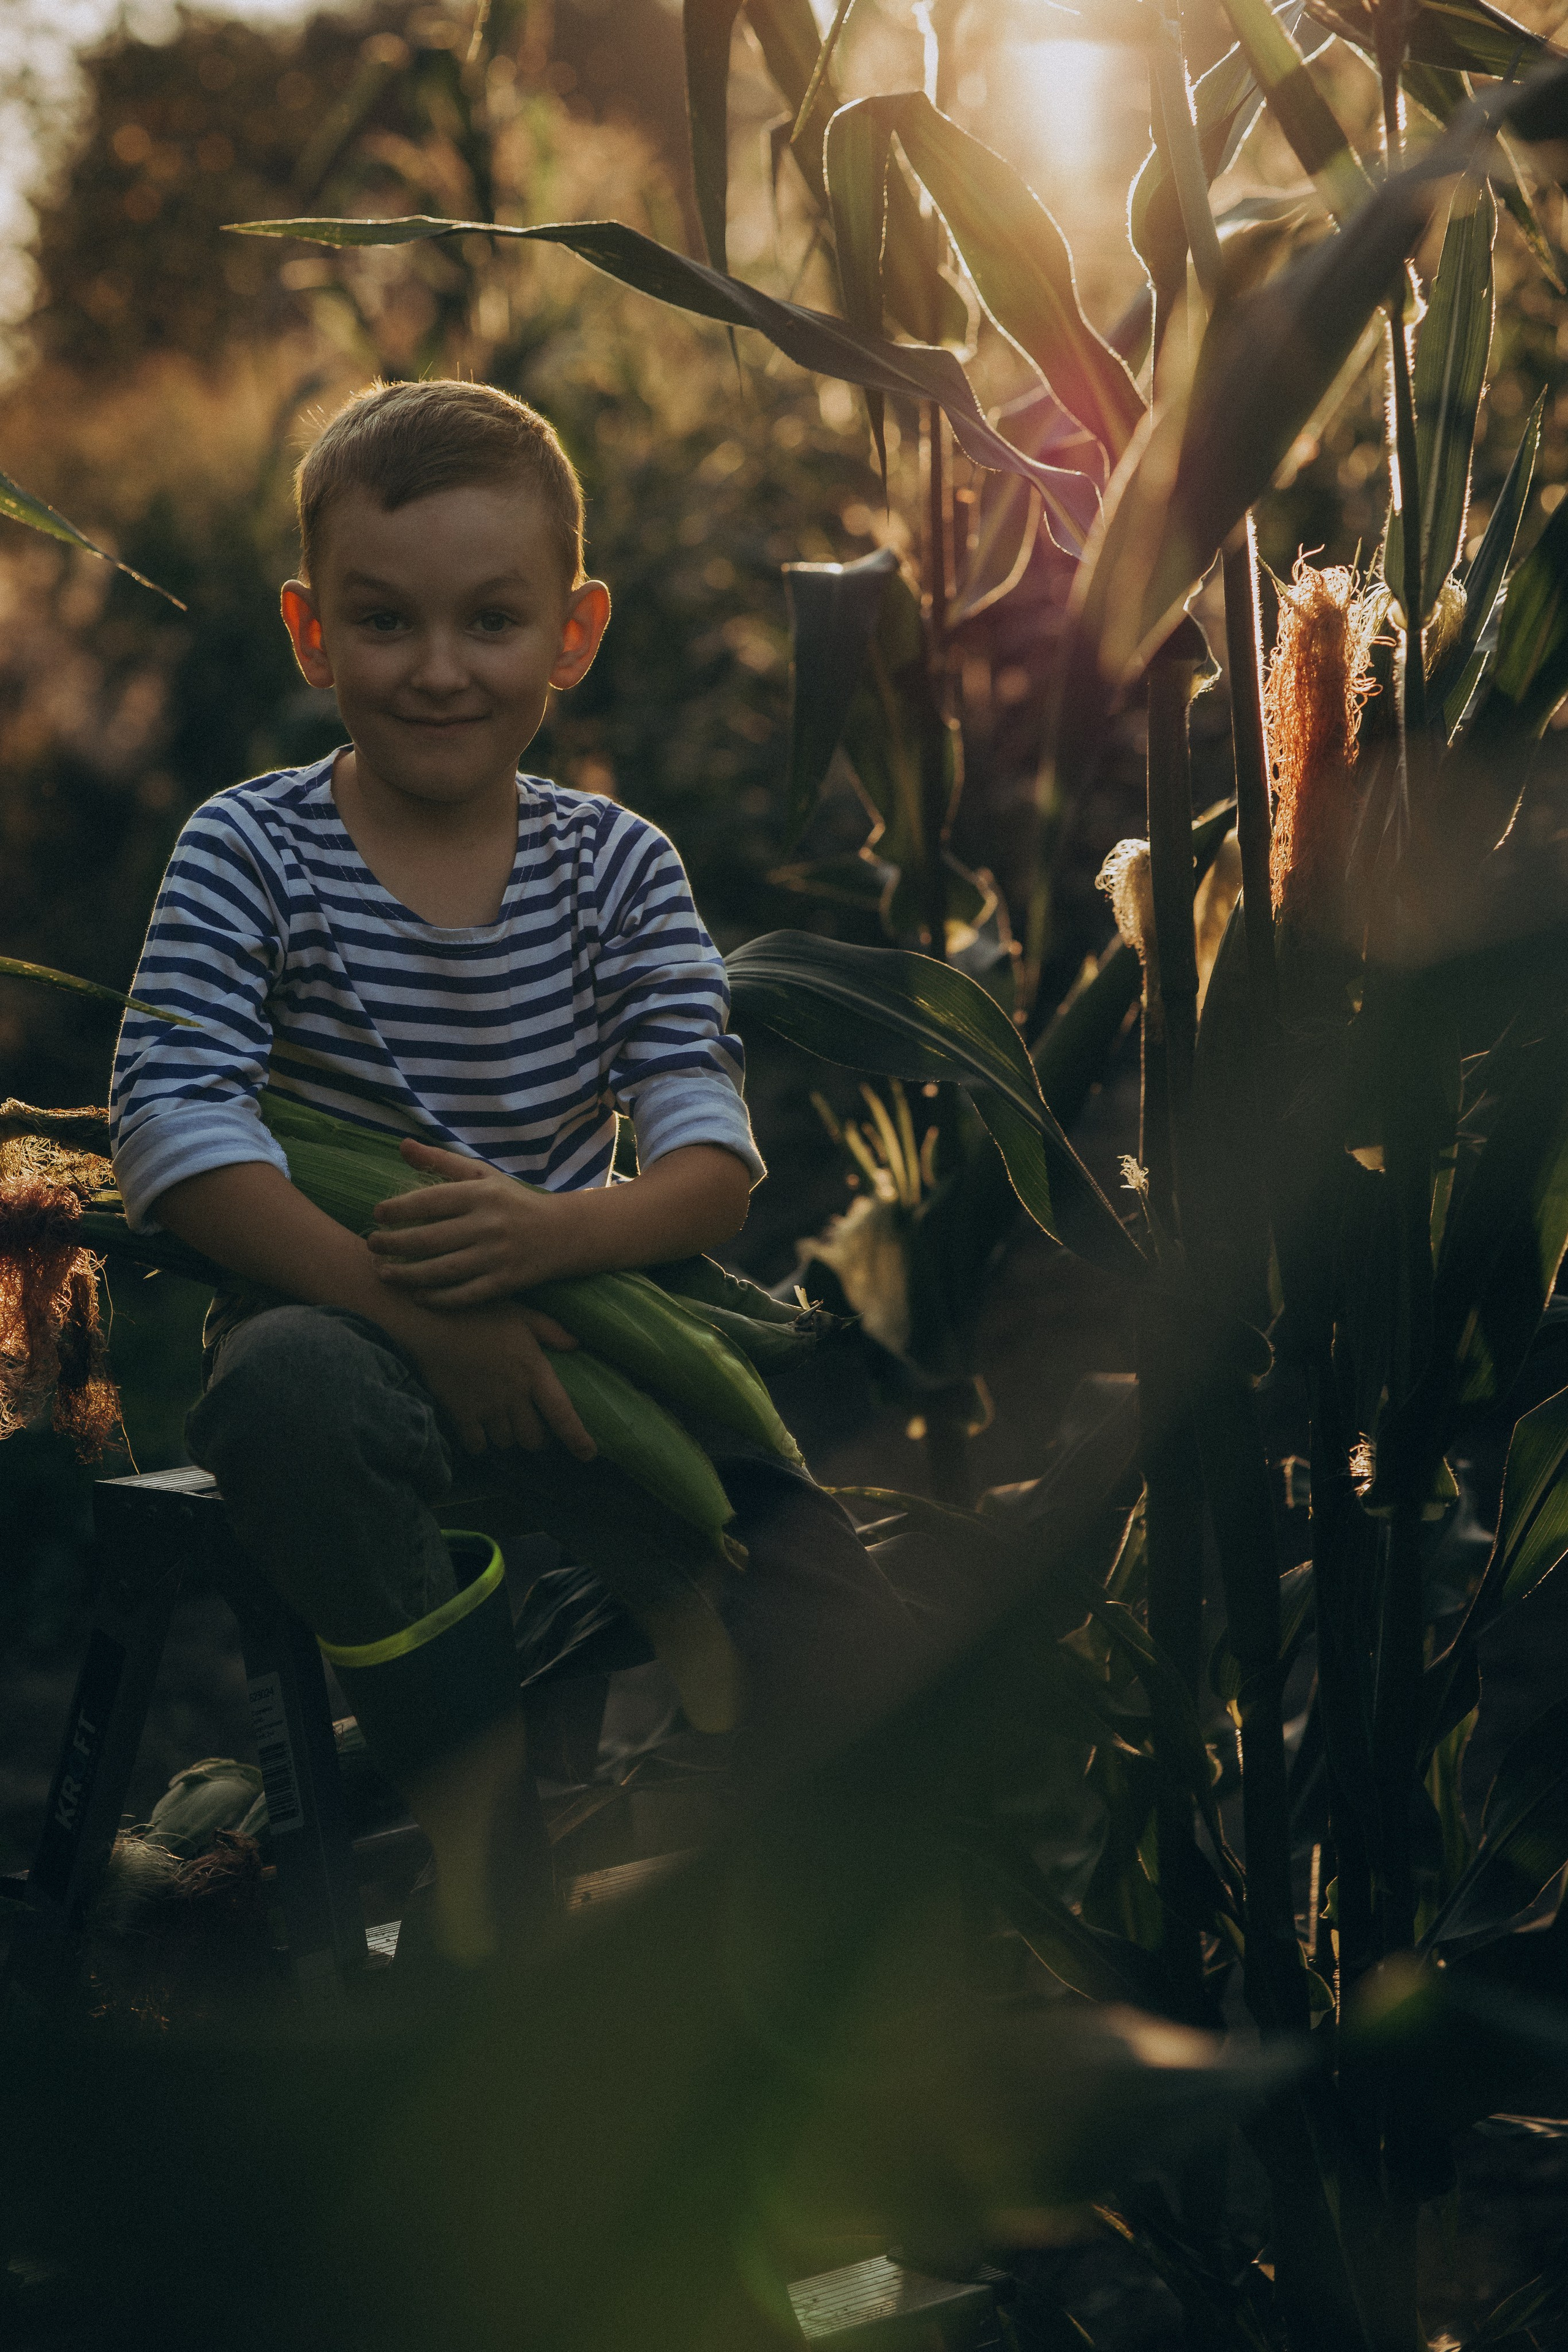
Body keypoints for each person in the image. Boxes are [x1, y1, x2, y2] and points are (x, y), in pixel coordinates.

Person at [108, 379, 920, 1969]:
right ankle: (489, 1867)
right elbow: (176, 1140)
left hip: (585, 1347)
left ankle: (755, 1964)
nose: (436, 669)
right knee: (285, 1390)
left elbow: (708, 1171)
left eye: (491, 620)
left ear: (575, 630)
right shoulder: (248, 851)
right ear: (309, 631)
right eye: (383, 621)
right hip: (346, 1356)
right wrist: (420, 1319)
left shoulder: (616, 869)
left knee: (839, 1612)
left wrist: (547, 1244)